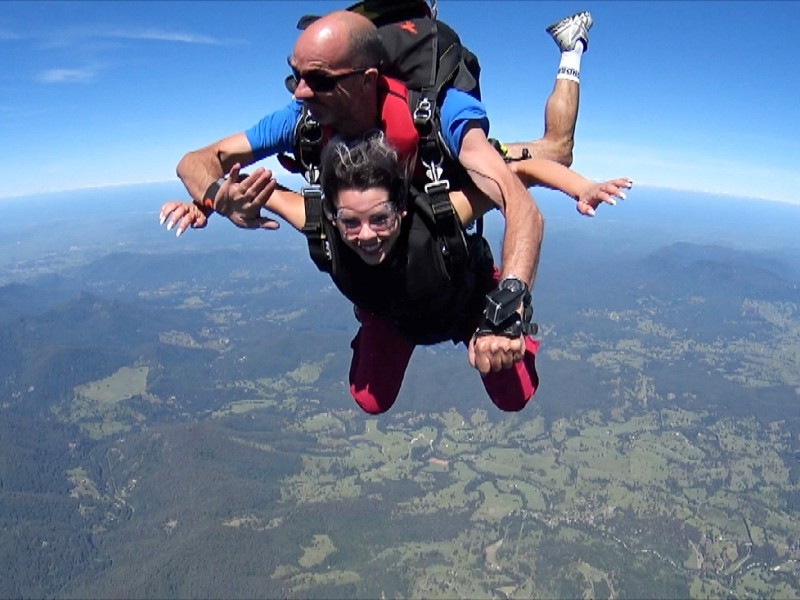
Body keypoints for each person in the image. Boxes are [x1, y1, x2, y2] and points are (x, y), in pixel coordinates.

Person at [159, 132, 632, 413]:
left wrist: (581, 187)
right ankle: (376, 325)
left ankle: (511, 332)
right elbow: (236, 188)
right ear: (331, 214)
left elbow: (520, 177)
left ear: (403, 210)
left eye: (380, 218)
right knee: (370, 399)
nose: (365, 235)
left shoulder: (441, 214)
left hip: (468, 306)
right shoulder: (314, 217)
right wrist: (211, 203)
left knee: (515, 395)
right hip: (392, 316)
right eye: (350, 222)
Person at [162, 7, 596, 235]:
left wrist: (512, 297)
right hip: (391, 212)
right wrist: (214, 199)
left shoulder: (436, 108)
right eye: (296, 76)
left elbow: (511, 183)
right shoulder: (301, 117)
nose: (299, 91)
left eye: (319, 79)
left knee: (558, 150)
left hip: (446, 166)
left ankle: (571, 46)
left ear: (366, 80)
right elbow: (197, 161)